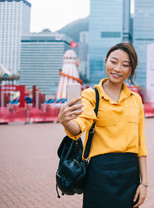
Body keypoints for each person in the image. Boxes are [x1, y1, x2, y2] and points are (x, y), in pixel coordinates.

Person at [58, 43, 148, 208]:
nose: (118, 68)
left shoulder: (136, 100)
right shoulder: (91, 95)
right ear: (106, 61)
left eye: (125, 65)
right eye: (113, 62)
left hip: (130, 172)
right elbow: (79, 126)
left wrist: (144, 183)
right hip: (100, 173)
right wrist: (65, 121)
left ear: (131, 69)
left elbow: (141, 145)